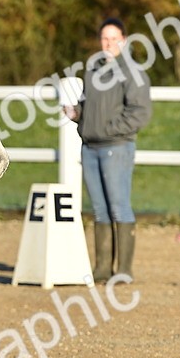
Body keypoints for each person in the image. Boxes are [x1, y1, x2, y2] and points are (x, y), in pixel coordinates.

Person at [65, 17, 152, 283]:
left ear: (124, 41)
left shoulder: (133, 73)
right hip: (90, 148)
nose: (109, 43)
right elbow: (89, 106)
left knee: (119, 207)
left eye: (114, 38)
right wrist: (78, 114)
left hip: (116, 147)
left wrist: (109, 129)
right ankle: (102, 268)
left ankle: (124, 271)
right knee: (99, 210)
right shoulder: (93, 70)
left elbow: (140, 113)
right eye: (105, 38)